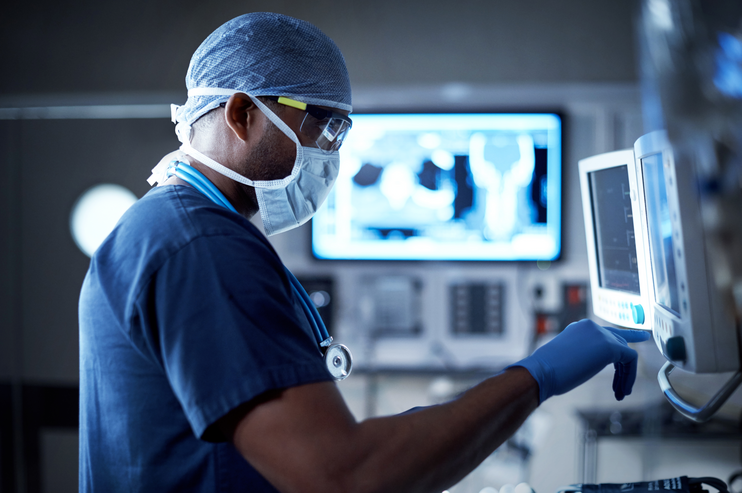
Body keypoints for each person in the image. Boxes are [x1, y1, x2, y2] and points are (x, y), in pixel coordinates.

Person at [78, 12, 650, 493]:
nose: (333, 156)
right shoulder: (202, 246)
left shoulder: (164, 229)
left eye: (343, 134)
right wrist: (539, 375)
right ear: (242, 113)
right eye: (323, 129)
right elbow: (345, 476)